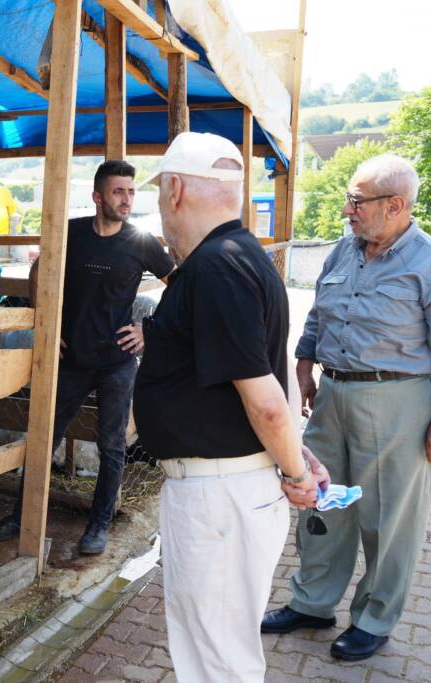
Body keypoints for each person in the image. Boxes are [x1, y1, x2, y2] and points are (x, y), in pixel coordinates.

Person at [133, 131, 327, 682]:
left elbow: (264, 401)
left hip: (218, 496)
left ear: (173, 190)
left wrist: (296, 471)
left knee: (216, 659)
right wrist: (303, 456)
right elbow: (272, 370)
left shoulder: (215, 268)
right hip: (230, 488)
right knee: (219, 648)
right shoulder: (247, 257)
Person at [262, 153, 431, 661]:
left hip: (400, 402)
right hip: (333, 397)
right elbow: (319, 315)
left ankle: (374, 618)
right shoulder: (342, 252)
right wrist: (305, 363)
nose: (347, 210)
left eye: (356, 200)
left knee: (389, 519)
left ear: (394, 205)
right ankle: (312, 602)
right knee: (323, 503)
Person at [0, 159, 175, 555]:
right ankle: (21, 517)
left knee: (112, 444)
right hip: (70, 360)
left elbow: (181, 286)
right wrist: (46, 325)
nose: (127, 199)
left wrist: (147, 330)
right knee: (43, 437)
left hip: (117, 362)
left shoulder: (142, 241)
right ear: (98, 196)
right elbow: (39, 273)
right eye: (119, 191)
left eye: (132, 192)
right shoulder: (71, 233)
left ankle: (98, 524)